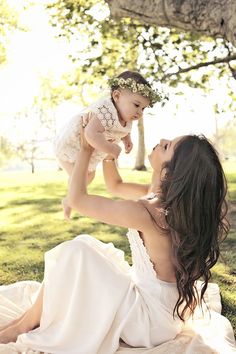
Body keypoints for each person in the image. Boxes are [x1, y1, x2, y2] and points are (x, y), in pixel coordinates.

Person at [0, 132, 233, 354]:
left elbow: (77, 199)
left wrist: (86, 148)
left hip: (147, 322)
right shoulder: (168, 205)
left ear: (167, 174)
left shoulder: (148, 213)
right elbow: (114, 185)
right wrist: (109, 150)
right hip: (165, 314)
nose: (161, 140)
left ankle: (22, 327)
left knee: (76, 252)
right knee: (90, 247)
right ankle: (22, 322)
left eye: (166, 146)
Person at [54, 70, 161, 220]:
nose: (140, 112)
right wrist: (111, 149)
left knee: (88, 176)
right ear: (116, 96)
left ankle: (69, 199)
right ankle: (71, 199)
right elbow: (90, 134)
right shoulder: (106, 110)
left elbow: (123, 129)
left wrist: (126, 140)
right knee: (83, 176)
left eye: (143, 108)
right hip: (71, 145)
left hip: (87, 149)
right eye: (137, 105)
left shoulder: (126, 115)